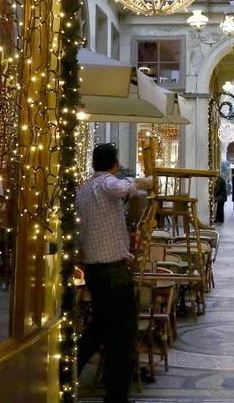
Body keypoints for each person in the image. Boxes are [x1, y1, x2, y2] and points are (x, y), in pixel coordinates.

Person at [76, 142, 155, 402]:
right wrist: (145, 181)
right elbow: (122, 187)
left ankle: (67, 373)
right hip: (112, 272)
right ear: (115, 164)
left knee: (99, 327)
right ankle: (116, 396)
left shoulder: (85, 190)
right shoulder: (106, 184)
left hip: (94, 271)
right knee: (123, 334)